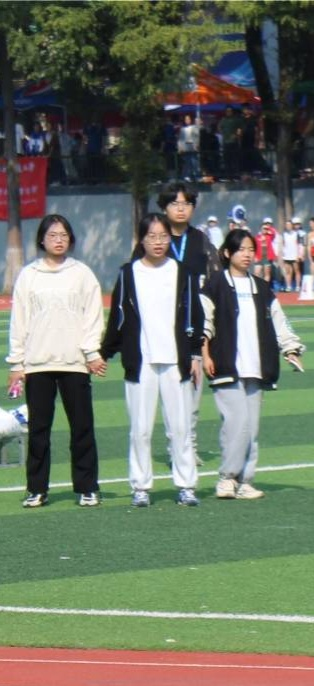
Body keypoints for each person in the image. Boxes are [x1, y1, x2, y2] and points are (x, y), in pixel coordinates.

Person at [100, 213, 204, 508]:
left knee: (180, 429)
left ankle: (186, 485)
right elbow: (118, 317)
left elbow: (194, 314)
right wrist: (104, 353)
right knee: (140, 429)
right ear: (141, 239)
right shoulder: (128, 273)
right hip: (141, 362)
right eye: (152, 236)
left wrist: (195, 353)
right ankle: (141, 486)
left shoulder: (182, 272)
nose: (158, 242)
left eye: (163, 236)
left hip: (176, 361)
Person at [6, 214, 105, 508]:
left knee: (82, 428)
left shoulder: (82, 274)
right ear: (42, 239)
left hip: (74, 363)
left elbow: (93, 316)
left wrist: (91, 352)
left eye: (63, 235)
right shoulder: (29, 275)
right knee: (39, 431)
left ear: (70, 239)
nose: (58, 240)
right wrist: (17, 364)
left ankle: (87, 488)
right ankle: (37, 489)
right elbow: (19, 321)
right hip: (38, 364)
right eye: (52, 235)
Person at [201, 229, 305, 500]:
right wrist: (205, 354)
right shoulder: (215, 285)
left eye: (251, 250)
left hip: (257, 366)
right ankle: (226, 478)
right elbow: (204, 321)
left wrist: (291, 348)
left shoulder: (261, 287)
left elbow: (279, 321)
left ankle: (245, 481)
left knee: (252, 428)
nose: (247, 255)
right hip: (226, 364)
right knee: (236, 423)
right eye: (241, 250)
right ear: (227, 253)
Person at [156, 182, 222, 468]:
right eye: (174, 203)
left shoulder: (201, 240)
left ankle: (189, 446)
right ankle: (175, 447)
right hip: (162, 325)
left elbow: (216, 279)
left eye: (186, 204)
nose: (180, 209)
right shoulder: (155, 238)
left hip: (194, 324)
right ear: (164, 207)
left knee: (193, 392)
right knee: (169, 394)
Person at [279, 219, 302, 292]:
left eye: (289, 225)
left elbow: (298, 245)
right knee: (288, 271)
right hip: (287, 256)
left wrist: (299, 255)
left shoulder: (296, 234)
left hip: (294, 255)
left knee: (297, 271)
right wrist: (282, 254)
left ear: (292, 226)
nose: (288, 226)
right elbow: (283, 245)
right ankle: (288, 286)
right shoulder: (284, 234)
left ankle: (298, 286)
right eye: (287, 225)